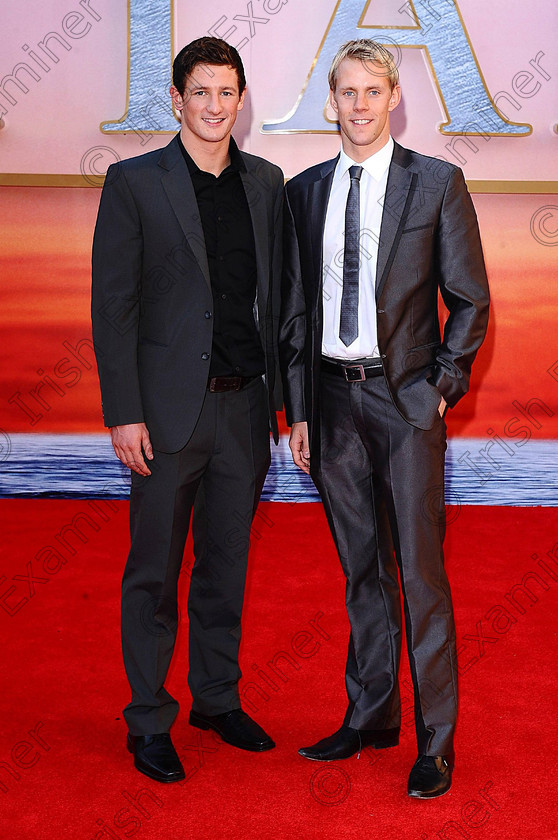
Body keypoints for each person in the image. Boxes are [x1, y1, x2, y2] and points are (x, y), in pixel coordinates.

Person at [279, 39, 489, 798]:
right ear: (330, 101)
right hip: (331, 404)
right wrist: (299, 411)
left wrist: (440, 387)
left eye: (374, 91)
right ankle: (370, 715)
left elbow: (470, 301)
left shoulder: (436, 183)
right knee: (360, 568)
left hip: (405, 404)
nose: (360, 105)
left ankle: (437, 741)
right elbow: (297, 315)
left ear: (394, 97)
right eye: (347, 92)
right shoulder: (303, 193)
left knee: (422, 575)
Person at [91, 37, 283, 783]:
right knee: (153, 572)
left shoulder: (266, 183)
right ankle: (147, 719)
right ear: (176, 98)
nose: (214, 106)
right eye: (200, 92)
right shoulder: (135, 183)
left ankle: (215, 697)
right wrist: (124, 411)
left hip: (246, 412)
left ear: (241, 100)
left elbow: (284, 304)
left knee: (224, 567)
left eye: (226, 93)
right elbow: (115, 307)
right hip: (166, 418)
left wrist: (288, 406)